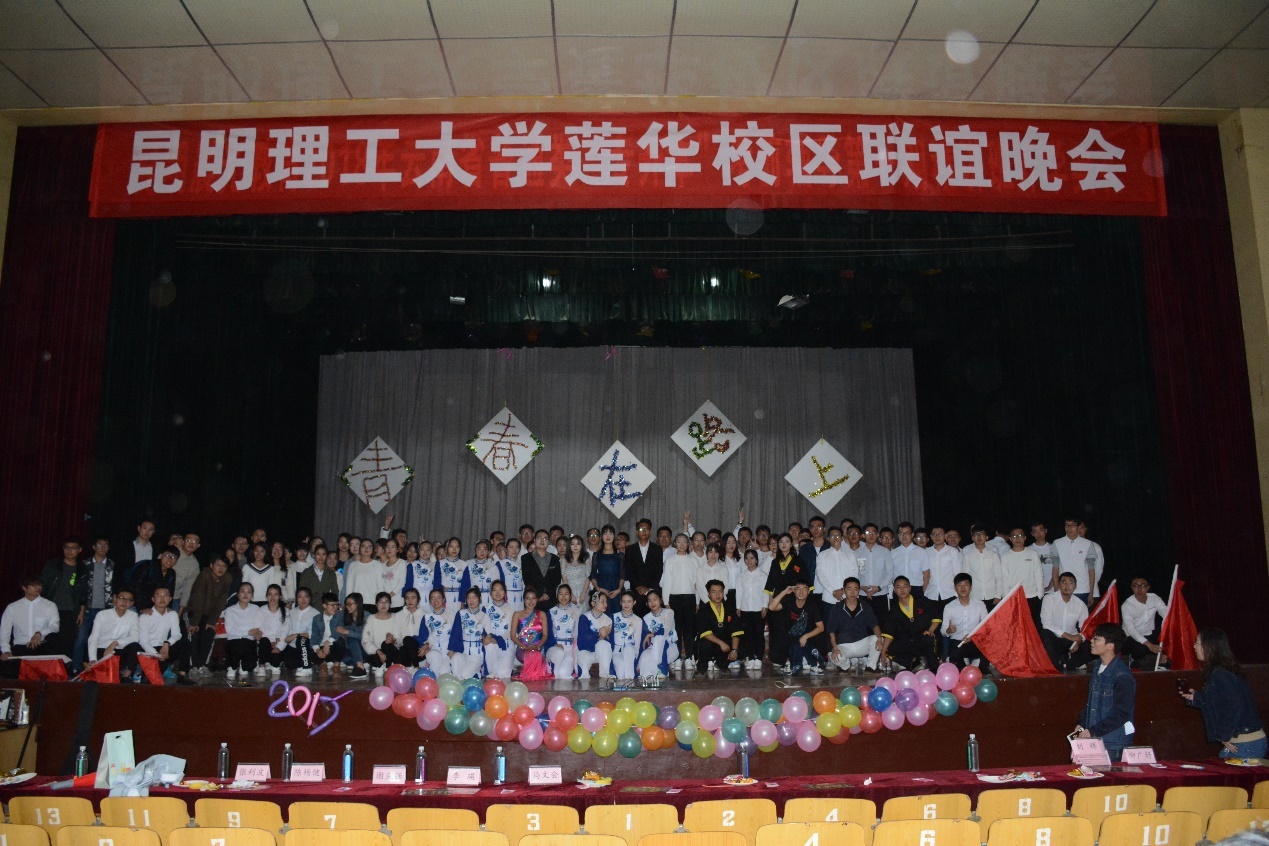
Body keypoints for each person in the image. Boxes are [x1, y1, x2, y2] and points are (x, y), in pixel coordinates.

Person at [1181, 628, 1266, 759]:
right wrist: (1196, 698)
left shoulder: (1220, 674)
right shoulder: (1225, 671)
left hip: (1245, 742)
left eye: (1197, 643)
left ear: (1209, 646)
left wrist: (1223, 735)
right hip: (1244, 741)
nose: (1194, 646)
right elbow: (1220, 702)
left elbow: (1234, 704)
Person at [1074, 623, 1135, 762]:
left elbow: (1121, 714)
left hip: (1112, 744)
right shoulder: (1097, 667)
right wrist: (1082, 723)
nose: (1091, 642)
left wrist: (1093, 731)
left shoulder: (1122, 676)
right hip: (1094, 740)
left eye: (1097, 639)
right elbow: (1091, 703)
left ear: (1110, 646)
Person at [73, 535, 122, 672]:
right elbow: (79, 588)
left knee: (104, 639)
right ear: (94, 547)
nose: (103, 548)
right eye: (100, 545)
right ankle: (76, 668)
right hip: (87, 609)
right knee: (81, 639)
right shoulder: (84, 564)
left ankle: (102, 669)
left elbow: (117, 586)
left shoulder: (113, 565)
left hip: (106, 609)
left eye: (106, 545)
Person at [184, 553, 234, 677]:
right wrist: (195, 623)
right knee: (194, 636)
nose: (221, 568)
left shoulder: (227, 578)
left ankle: (203, 665)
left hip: (208, 614)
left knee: (209, 634)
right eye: (218, 565)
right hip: (193, 612)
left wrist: (211, 622)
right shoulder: (204, 575)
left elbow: (221, 601)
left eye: (224, 566)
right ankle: (192, 667)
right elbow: (197, 598)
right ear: (211, 565)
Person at [0, 576, 61, 675]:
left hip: (41, 647)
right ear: (24, 588)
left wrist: (39, 633)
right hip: (20, 648)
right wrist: (5, 650)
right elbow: (4, 631)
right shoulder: (12, 607)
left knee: (54, 639)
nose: (38, 587)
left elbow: (55, 626)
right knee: (9, 673)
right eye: (34, 585)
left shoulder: (49, 605)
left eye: (40, 585)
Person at [879, 576, 940, 671]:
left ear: (910, 588)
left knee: (928, 638)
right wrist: (883, 653)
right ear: (894, 590)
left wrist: (930, 630)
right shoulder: (893, 610)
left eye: (905, 586)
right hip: (908, 642)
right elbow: (888, 633)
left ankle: (934, 667)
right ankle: (913, 662)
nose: (902, 590)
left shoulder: (922, 601)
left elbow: (936, 618)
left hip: (923, 638)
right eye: (898, 587)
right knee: (890, 649)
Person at [825, 577, 883, 674]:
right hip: (844, 645)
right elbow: (831, 631)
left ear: (859, 590)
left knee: (877, 639)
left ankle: (871, 667)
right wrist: (835, 648)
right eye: (849, 589)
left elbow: (875, 625)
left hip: (861, 643)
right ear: (844, 590)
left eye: (855, 589)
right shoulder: (837, 608)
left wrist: (879, 639)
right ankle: (846, 666)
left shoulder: (865, 606)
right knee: (834, 656)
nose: (852, 592)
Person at [138, 586, 193, 684]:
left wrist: (167, 643)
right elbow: (143, 642)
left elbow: (177, 634)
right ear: (153, 599)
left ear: (170, 599)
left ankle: (182, 676)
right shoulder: (145, 616)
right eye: (158, 596)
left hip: (164, 647)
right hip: (149, 650)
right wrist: (157, 654)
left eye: (165, 595)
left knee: (185, 643)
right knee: (150, 681)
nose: (162, 598)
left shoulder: (172, 614)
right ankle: (145, 675)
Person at [768, 578, 824, 675]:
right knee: (775, 654)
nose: (801, 592)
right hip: (790, 638)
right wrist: (785, 592)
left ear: (808, 591)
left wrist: (805, 636)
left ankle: (799, 662)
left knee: (800, 645)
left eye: (804, 589)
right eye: (798, 589)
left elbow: (821, 627)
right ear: (794, 591)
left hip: (807, 638)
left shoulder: (813, 606)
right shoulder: (789, 602)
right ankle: (808, 659)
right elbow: (771, 607)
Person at [660, 533, 698, 669]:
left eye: (684, 542)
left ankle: (689, 657)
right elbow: (666, 582)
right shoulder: (670, 560)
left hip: (690, 598)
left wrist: (697, 601)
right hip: (674, 598)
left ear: (688, 544)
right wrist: (666, 602)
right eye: (679, 542)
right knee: (676, 630)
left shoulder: (693, 560)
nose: (682, 545)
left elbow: (696, 583)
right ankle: (676, 658)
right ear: (675, 544)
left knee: (689, 629)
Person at [1040, 572, 1092, 672]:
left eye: (1071, 583)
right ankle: (1058, 664)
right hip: (1055, 639)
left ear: (1075, 586)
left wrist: (1078, 640)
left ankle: (1068, 660)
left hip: (1072, 642)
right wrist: (1069, 636)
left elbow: (1085, 627)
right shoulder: (1049, 599)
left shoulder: (1080, 604)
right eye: (1064, 582)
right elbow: (1046, 623)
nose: (1067, 586)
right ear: (1059, 584)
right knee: (1045, 633)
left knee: (1092, 644)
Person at [86, 589, 142, 680]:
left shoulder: (133, 616)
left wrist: (115, 643)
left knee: (135, 646)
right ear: (115, 599)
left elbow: (134, 637)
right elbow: (94, 637)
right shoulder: (102, 615)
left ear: (132, 603)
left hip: (118, 651)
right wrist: (93, 659)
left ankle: (125, 677)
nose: (124, 602)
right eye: (122, 598)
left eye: (128, 600)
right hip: (102, 651)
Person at [40, 539, 81, 655]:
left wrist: (81, 611)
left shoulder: (82, 568)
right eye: (67, 547)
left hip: (70, 610)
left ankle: (65, 666)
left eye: (73, 548)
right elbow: (42, 584)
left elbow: (83, 592)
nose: (69, 550)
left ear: (79, 550)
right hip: (51, 607)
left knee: (68, 642)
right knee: (50, 640)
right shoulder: (53, 565)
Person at [695, 579, 742, 673]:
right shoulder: (703, 611)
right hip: (710, 641)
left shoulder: (730, 609)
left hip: (725, 641)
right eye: (714, 592)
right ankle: (702, 667)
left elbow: (736, 630)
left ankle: (722, 664)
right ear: (708, 594)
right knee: (704, 644)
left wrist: (734, 650)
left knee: (739, 646)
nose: (717, 595)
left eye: (720, 591)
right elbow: (705, 633)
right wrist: (721, 643)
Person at [941, 573, 988, 669]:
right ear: (955, 588)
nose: (963, 588)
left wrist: (973, 637)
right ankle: (966, 663)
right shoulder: (949, 607)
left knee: (987, 656)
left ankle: (975, 662)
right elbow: (943, 631)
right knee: (956, 660)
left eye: (966, 585)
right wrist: (948, 630)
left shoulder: (980, 605)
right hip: (957, 642)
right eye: (959, 585)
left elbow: (986, 626)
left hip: (975, 641)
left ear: (971, 587)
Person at [1121, 577, 1169, 668]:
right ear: (1131, 588)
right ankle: (1134, 660)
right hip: (1132, 637)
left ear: (1148, 587)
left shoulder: (1154, 598)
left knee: (1167, 641)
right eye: (1135, 586)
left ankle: (1160, 662)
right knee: (1142, 649)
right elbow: (1131, 629)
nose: (1139, 589)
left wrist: (1172, 619)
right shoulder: (1127, 605)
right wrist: (1149, 645)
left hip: (1149, 633)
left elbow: (1165, 613)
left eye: (1142, 586)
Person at [734, 549, 769, 670]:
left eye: (752, 558)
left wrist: (764, 606)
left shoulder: (763, 575)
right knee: (747, 635)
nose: (749, 561)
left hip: (758, 609)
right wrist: (738, 607)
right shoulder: (741, 576)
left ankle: (758, 658)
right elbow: (739, 592)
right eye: (747, 558)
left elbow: (765, 592)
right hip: (745, 609)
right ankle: (750, 657)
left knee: (759, 634)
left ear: (757, 560)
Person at [448, 587, 493, 679]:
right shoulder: (461, 613)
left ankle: (477, 673)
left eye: (474, 597)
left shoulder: (484, 616)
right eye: (468, 598)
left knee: (465, 674)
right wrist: (451, 650)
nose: (471, 601)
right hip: (463, 650)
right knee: (456, 660)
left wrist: (487, 637)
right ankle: (458, 684)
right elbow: (455, 633)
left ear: (479, 598)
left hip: (477, 653)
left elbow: (489, 633)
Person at [509, 587, 552, 680]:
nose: (531, 601)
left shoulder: (542, 614)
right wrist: (524, 647)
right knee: (530, 655)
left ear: (537, 600)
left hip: (538, 647)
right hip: (522, 648)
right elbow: (512, 636)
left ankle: (533, 678)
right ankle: (531, 677)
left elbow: (545, 635)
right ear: (524, 600)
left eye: (533, 598)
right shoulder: (517, 614)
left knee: (536, 654)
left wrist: (538, 646)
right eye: (528, 598)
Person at [626, 518, 664, 614]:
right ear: (637, 532)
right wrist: (637, 586)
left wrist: (649, 588)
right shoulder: (630, 549)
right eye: (641, 529)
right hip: (635, 591)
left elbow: (659, 570)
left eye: (646, 529)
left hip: (652, 592)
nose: (644, 531)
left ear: (650, 532)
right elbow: (629, 570)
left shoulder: (657, 549)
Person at [638, 588, 677, 678]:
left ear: (661, 600)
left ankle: (662, 669)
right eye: (649, 601)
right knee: (644, 657)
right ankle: (648, 677)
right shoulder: (646, 618)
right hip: (653, 648)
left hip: (669, 648)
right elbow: (643, 639)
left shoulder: (669, 612)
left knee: (659, 638)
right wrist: (638, 663)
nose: (652, 603)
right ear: (647, 603)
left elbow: (666, 629)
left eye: (655, 599)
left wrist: (653, 634)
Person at [575, 590, 614, 679]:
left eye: (606, 602)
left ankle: (605, 675)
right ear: (593, 603)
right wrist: (600, 634)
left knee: (604, 644)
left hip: (599, 653)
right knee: (585, 661)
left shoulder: (608, 620)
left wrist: (601, 637)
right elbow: (582, 642)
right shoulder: (584, 617)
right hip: (585, 651)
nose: (605, 604)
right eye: (602, 602)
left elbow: (610, 642)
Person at [545, 584, 580, 678]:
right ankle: (551, 666)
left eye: (566, 594)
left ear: (570, 595)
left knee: (564, 673)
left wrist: (575, 650)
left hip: (569, 648)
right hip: (555, 647)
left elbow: (578, 633)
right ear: (557, 595)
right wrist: (554, 644)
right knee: (558, 655)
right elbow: (547, 633)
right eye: (561, 594)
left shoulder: (576, 611)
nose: (563, 597)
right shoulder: (551, 612)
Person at [283, 586, 319, 677]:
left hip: (308, 645)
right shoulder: (292, 612)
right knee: (289, 663)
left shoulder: (315, 613)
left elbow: (313, 633)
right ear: (296, 599)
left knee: (301, 639)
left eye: (306, 596)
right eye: (300, 597)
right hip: (294, 645)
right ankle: (303, 664)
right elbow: (289, 627)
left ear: (310, 598)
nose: (303, 599)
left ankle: (307, 667)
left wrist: (296, 635)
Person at [363, 591, 400, 678]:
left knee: (386, 644)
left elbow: (400, 638)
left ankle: (387, 666)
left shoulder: (395, 617)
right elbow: (365, 640)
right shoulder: (371, 619)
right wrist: (378, 651)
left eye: (386, 602)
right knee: (375, 659)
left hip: (391, 649)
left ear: (390, 604)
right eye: (381, 602)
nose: (383, 605)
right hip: (377, 651)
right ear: (376, 604)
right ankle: (385, 665)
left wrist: (393, 639)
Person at [523, 530, 562, 611]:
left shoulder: (555, 559)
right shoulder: (526, 558)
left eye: (545, 539)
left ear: (549, 541)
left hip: (550, 598)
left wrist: (548, 594)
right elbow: (527, 579)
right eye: (539, 538)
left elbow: (557, 579)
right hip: (532, 600)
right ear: (534, 540)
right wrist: (539, 595)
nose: (542, 541)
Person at [418, 588, 454, 676]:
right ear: (430, 601)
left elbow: (456, 635)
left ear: (443, 599)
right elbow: (423, 637)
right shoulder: (426, 618)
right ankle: (432, 681)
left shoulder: (452, 615)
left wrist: (452, 650)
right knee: (435, 656)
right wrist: (426, 646)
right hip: (433, 649)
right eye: (432, 598)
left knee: (444, 673)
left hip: (447, 651)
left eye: (438, 597)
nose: (435, 600)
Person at [609, 591, 644, 680]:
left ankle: (630, 681)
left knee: (628, 650)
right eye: (624, 601)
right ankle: (625, 681)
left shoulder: (638, 620)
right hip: (616, 651)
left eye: (629, 601)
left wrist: (637, 660)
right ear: (620, 602)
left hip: (630, 650)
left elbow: (637, 641)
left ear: (634, 602)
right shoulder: (613, 617)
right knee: (621, 673)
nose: (626, 604)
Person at [483, 581, 514, 678]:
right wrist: (488, 638)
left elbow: (512, 630)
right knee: (490, 647)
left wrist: (498, 639)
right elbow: (483, 629)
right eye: (494, 590)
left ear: (505, 592)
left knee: (503, 675)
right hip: (491, 643)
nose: (497, 593)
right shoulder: (486, 609)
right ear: (490, 593)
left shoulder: (511, 609)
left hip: (506, 643)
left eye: (500, 590)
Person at [310, 593, 346, 676]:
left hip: (333, 646)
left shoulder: (340, 615)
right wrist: (318, 650)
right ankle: (322, 664)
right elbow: (314, 637)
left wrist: (328, 642)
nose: (335, 607)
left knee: (341, 641)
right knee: (310, 649)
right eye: (332, 605)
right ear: (324, 606)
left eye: (337, 605)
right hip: (322, 646)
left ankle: (336, 665)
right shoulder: (317, 618)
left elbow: (338, 632)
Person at [588, 526, 626, 602]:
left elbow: (622, 575)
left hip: (616, 589)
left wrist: (619, 590)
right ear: (602, 537)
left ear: (614, 536)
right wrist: (598, 589)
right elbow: (593, 575)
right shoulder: (596, 555)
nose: (608, 536)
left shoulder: (620, 555)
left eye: (610, 534)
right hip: (601, 588)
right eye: (605, 534)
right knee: (598, 607)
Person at [335, 593, 368, 679]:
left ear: (358, 604)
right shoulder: (344, 616)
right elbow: (338, 630)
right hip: (350, 649)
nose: (347, 607)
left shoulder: (367, 616)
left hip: (365, 648)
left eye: (350, 604)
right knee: (346, 659)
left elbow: (366, 637)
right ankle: (361, 662)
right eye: (346, 604)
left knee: (351, 638)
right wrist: (342, 634)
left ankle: (360, 667)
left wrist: (347, 632)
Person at [560, 535, 591, 604]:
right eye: (572, 544)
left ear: (582, 545)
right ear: (569, 546)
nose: (575, 546)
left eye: (578, 544)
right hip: (569, 590)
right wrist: (571, 594)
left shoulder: (586, 558)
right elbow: (564, 580)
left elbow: (588, 577)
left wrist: (583, 594)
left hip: (584, 590)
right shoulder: (564, 560)